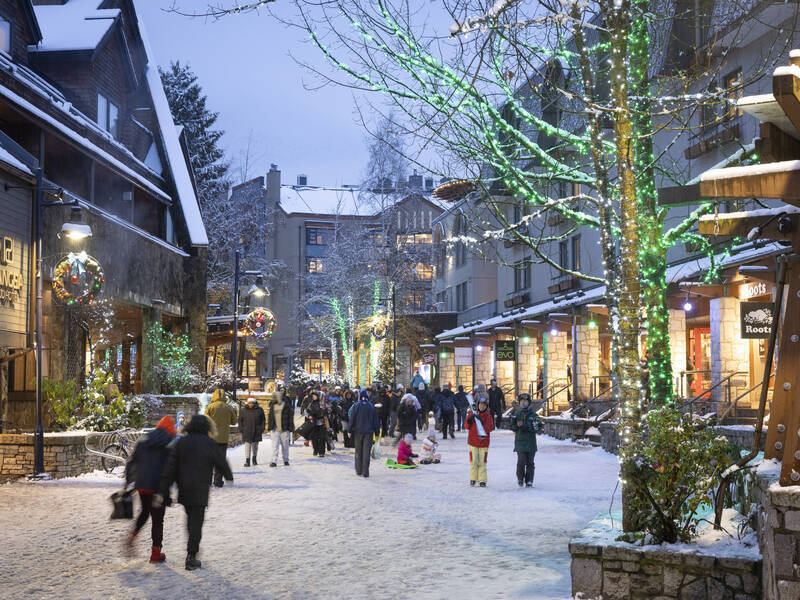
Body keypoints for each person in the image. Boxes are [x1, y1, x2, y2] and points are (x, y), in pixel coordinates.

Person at [156, 414, 233, 570]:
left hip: (184, 488)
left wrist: (163, 489)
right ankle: (191, 556)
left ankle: (192, 548)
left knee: (191, 519)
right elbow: (221, 461)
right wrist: (228, 475)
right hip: (200, 489)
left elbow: (170, 467)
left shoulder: (181, 443)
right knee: (197, 522)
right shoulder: (210, 443)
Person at [125, 415, 176, 563]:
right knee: (158, 520)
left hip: (142, 485)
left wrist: (129, 481)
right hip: (159, 486)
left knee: (145, 512)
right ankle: (155, 553)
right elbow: (172, 466)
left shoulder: (143, 439)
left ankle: (132, 536)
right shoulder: (171, 443)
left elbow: (132, 461)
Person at [204, 389, 237, 487]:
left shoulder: (210, 407)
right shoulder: (228, 407)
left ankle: (207, 481)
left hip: (211, 438)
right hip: (223, 438)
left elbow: (204, 420)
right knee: (220, 460)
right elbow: (234, 421)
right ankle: (218, 481)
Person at [510, 393, 543, 487]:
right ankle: (520, 478)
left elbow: (538, 428)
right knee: (521, 461)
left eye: (526, 402)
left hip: (531, 443)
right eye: (522, 402)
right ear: (519, 403)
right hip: (520, 443)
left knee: (530, 463)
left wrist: (527, 426)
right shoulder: (516, 414)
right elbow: (512, 427)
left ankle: (529, 480)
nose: (524, 403)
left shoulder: (534, 415)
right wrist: (517, 426)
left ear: (529, 403)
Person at [464, 396, 495, 487]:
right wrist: (469, 421)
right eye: (480, 404)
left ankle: (482, 479)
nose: (482, 406)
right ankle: (473, 478)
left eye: (484, 405)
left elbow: (489, 428)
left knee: (482, 462)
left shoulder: (488, 416)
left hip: (483, 443)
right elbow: (466, 426)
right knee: (473, 461)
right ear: (478, 405)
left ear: (486, 406)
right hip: (472, 442)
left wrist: (481, 423)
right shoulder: (472, 414)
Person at [350, 389, 380, 477]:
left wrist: (349, 430)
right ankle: (365, 471)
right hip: (369, 432)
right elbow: (375, 421)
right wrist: (377, 433)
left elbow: (352, 418)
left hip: (358, 431)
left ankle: (358, 470)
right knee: (366, 452)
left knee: (358, 451)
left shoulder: (356, 405)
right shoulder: (371, 406)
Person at [268, 390, 295, 466]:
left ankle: (286, 460)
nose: (273, 398)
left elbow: (290, 417)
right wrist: (270, 427)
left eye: (274, 397)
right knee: (274, 446)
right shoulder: (272, 406)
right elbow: (270, 417)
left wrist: (290, 427)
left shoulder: (286, 406)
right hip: (274, 429)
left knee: (285, 446)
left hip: (284, 429)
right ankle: (274, 461)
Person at [238, 397, 265, 467]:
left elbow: (263, 420)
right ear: (247, 403)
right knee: (247, 446)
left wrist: (261, 429)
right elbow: (240, 420)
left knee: (255, 446)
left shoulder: (260, 410)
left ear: (254, 403)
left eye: (252, 403)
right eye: (249, 403)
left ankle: (254, 458)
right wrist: (241, 429)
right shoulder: (243, 410)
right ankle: (247, 460)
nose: (251, 404)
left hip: (257, 430)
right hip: (247, 431)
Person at [307, 392, 328, 457]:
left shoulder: (322, 404)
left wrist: (325, 414)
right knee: (314, 438)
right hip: (314, 423)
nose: (314, 397)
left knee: (322, 438)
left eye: (315, 396)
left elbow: (327, 411)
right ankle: (315, 450)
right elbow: (307, 412)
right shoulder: (310, 404)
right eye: (313, 396)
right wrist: (309, 416)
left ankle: (321, 452)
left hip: (322, 423)